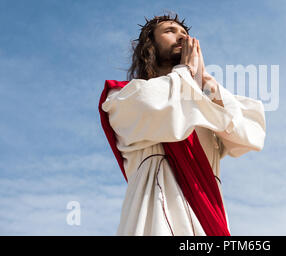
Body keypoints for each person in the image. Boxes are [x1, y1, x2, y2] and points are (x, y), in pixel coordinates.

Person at [98, 13, 266, 235]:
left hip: (207, 217)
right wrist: (185, 72)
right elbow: (156, 107)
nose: (181, 38)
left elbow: (247, 136)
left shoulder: (204, 107)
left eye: (184, 34)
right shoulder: (125, 96)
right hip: (156, 212)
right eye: (170, 31)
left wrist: (206, 82)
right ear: (149, 46)